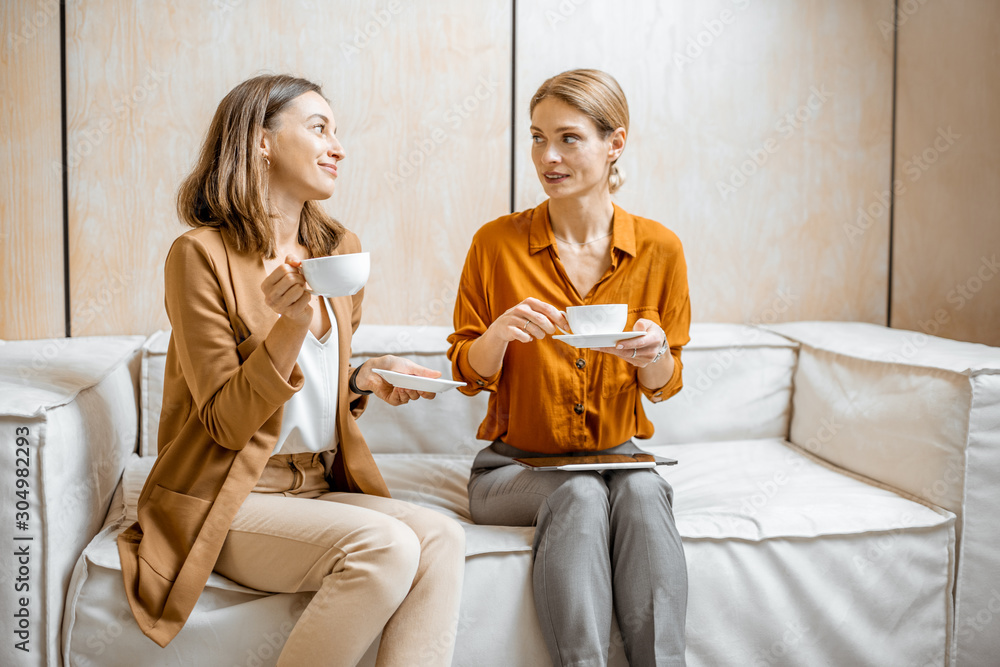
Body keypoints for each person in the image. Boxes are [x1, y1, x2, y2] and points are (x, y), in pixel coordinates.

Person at [117, 74, 465, 667]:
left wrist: (365, 377)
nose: (339, 146)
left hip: (317, 486)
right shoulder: (200, 255)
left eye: (336, 131)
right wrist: (290, 324)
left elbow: (324, 378)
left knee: (441, 538)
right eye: (319, 128)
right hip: (230, 495)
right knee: (384, 547)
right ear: (261, 141)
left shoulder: (338, 247)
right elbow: (225, 424)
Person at [447, 69, 690, 667]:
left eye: (568, 138)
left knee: (641, 488)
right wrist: (499, 335)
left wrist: (655, 353)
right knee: (579, 493)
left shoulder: (660, 250)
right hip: (514, 468)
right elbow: (465, 370)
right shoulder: (494, 245)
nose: (547, 156)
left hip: (619, 455)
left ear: (615, 143)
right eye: (536, 138)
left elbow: (665, 385)